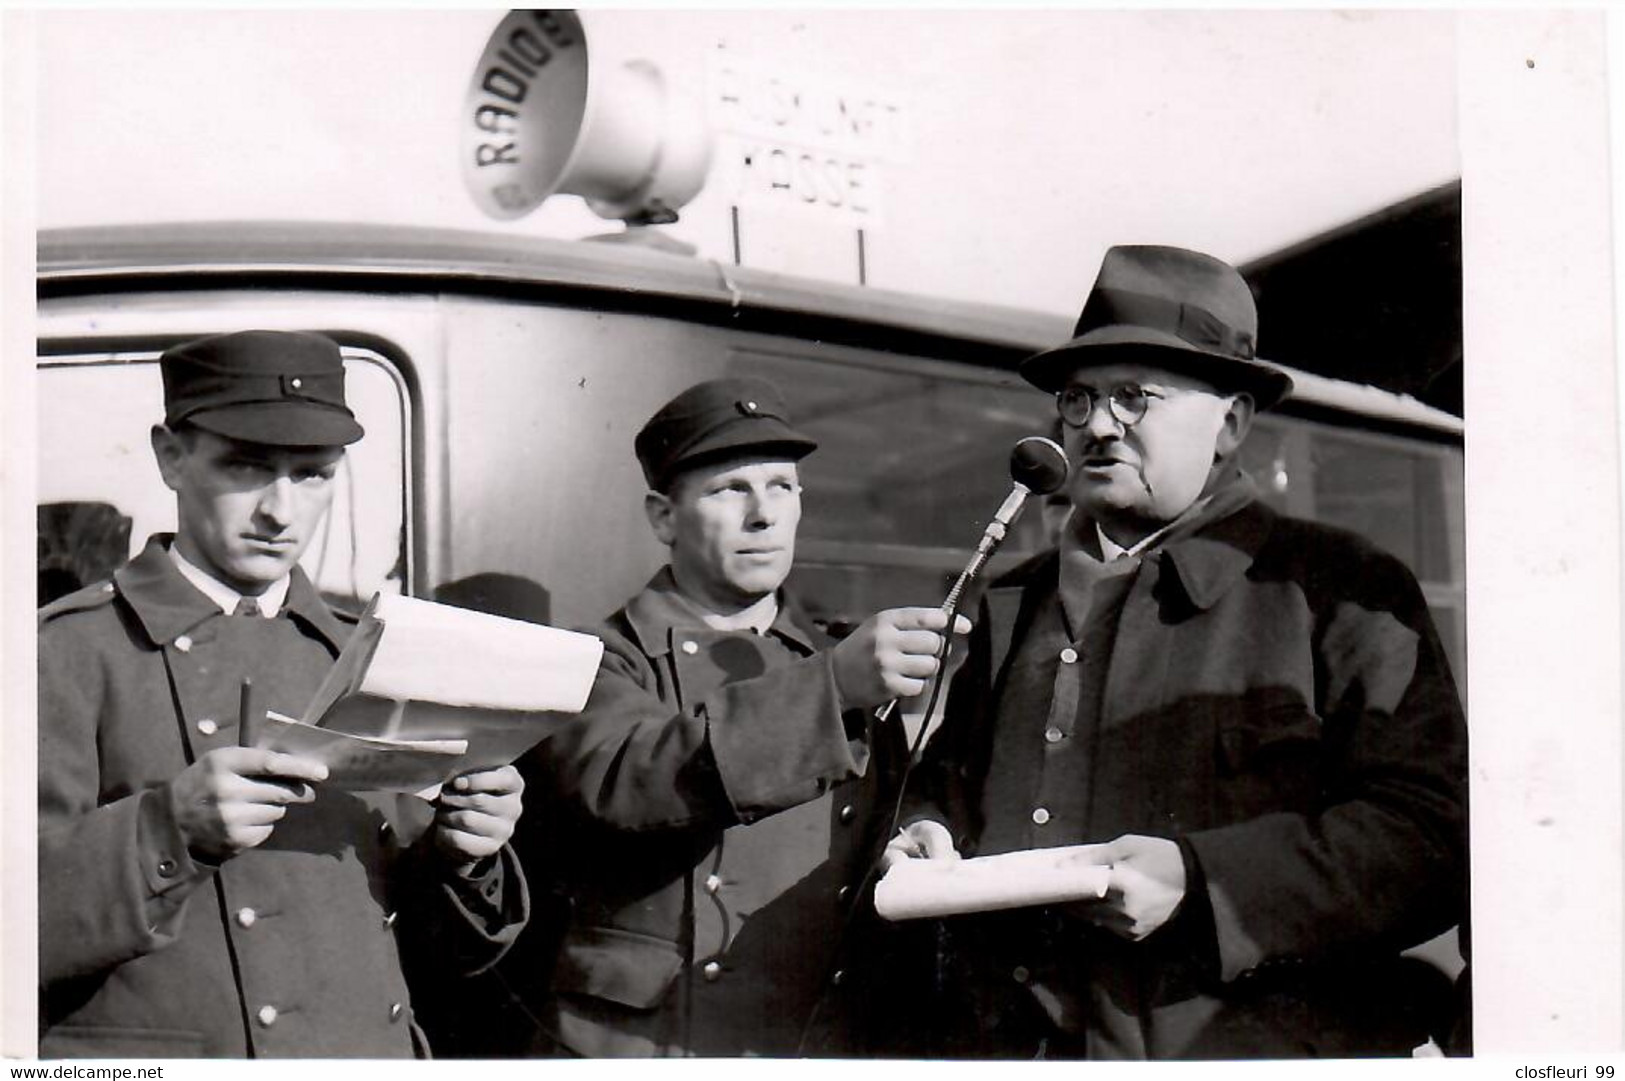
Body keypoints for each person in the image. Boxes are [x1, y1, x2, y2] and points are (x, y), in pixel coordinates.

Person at [887, 246, 1468, 1058]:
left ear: (1229, 423)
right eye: (1078, 398)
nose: (1095, 424)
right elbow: (943, 784)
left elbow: (1428, 840)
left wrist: (1201, 880)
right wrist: (924, 829)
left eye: (1133, 397)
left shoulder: (1336, 587)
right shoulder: (1011, 598)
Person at [37, 330, 530, 1058]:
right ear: (170, 456)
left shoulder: (370, 655)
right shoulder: (64, 652)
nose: (280, 510)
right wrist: (169, 828)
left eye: (312, 474)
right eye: (246, 465)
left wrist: (466, 851)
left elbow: (427, 950)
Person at [506, 376, 965, 1057]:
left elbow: (877, 814)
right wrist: (832, 686)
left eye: (781, 487)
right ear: (663, 517)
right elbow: (632, 775)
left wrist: (907, 836)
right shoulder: (595, 659)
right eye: (730, 490)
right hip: (656, 1042)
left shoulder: (834, 659)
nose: (764, 515)